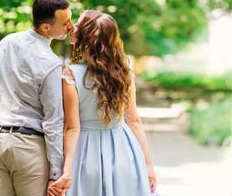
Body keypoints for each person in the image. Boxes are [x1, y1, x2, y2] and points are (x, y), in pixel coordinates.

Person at [47, 10, 159, 196]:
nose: (72, 27)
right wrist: (148, 165)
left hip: (86, 154)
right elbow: (134, 121)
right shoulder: (124, 72)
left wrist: (67, 170)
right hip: (125, 151)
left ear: (86, 37)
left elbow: (72, 127)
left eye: (78, 24)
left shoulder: (70, 75)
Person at [0, 0, 74, 196]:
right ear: (46, 27)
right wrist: (56, 172)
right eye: (66, 22)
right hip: (29, 149)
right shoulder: (51, 64)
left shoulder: (6, 43)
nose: (71, 26)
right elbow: (53, 121)